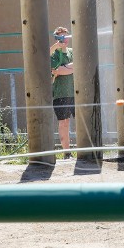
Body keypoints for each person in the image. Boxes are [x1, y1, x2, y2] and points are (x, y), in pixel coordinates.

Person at [50, 26, 74, 159]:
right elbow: (54, 69)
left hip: (73, 92)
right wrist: (67, 68)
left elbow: (76, 65)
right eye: (61, 37)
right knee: (63, 123)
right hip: (60, 94)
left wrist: (62, 69)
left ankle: (77, 152)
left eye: (65, 36)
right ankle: (67, 153)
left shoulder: (71, 52)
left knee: (70, 122)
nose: (64, 40)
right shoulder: (54, 54)